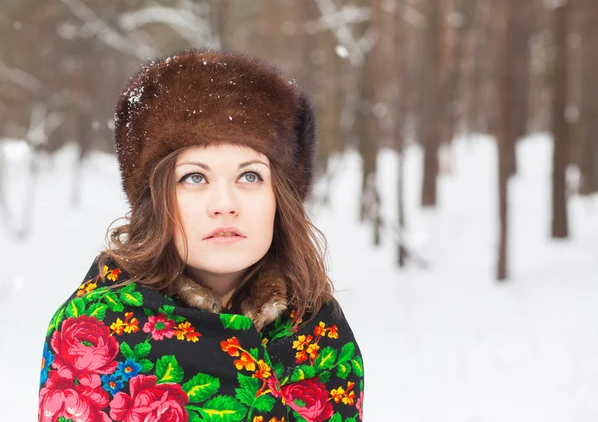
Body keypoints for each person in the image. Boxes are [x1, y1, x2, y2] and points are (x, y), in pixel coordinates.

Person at [37, 48, 364, 422]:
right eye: (195, 177)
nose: (224, 204)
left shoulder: (319, 331)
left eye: (249, 176)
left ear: (280, 199)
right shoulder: (95, 331)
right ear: (157, 200)